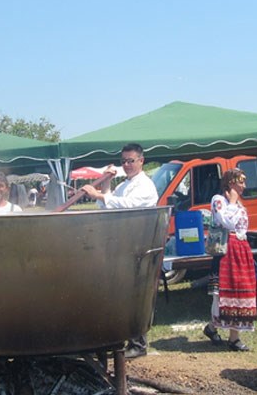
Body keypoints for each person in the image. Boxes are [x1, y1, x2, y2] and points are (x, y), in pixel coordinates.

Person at [81, 143, 158, 359]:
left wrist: (98, 195)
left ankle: (138, 344)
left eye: (131, 161)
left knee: (135, 295)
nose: (127, 165)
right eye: (123, 161)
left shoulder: (145, 185)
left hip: (139, 244)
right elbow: (108, 206)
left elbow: (127, 205)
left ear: (141, 161)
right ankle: (119, 338)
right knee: (120, 294)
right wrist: (105, 184)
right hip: (122, 245)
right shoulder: (125, 184)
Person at [203, 168, 256, 352]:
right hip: (226, 251)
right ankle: (214, 328)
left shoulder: (239, 203)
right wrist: (232, 201)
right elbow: (227, 223)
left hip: (239, 250)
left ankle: (232, 337)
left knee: (239, 292)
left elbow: (241, 228)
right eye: (241, 181)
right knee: (223, 295)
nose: (244, 186)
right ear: (231, 182)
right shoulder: (219, 200)